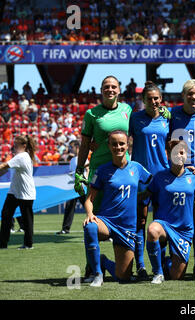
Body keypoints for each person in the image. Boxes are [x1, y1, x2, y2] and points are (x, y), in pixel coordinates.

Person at [76, 75, 132, 281]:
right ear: (101, 90)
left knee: (129, 217)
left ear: (119, 90)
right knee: (93, 221)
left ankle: (138, 265)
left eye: (113, 86)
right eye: (106, 87)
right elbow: (84, 144)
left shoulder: (128, 110)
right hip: (99, 172)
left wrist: (161, 112)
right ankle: (93, 268)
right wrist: (79, 170)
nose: (110, 89)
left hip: (123, 174)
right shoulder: (92, 114)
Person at [83, 130, 152, 287]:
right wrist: (89, 214)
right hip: (107, 222)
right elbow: (89, 199)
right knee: (90, 227)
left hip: (127, 227)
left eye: (122, 144)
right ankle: (97, 274)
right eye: (114, 144)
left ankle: (103, 261)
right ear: (109, 146)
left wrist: (185, 171)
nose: (118, 147)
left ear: (127, 145)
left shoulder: (137, 168)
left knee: (123, 277)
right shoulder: (102, 170)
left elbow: (156, 183)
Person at [129, 80, 170, 279]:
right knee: (141, 222)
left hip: (162, 178)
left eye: (156, 98)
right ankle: (141, 266)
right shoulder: (134, 119)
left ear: (161, 100)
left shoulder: (167, 119)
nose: (153, 102)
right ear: (143, 100)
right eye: (149, 99)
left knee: (161, 222)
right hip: (141, 180)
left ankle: (160, 264)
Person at [169, 79, 195, 279]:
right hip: (179, 170)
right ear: (183, 95)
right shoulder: (172, 114)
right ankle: (172, 259)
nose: (194, 97)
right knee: (177, 216)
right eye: (190, 94)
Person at [144, 140, 195, 283]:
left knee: (176, 277)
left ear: (186, 155)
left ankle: (167, 261)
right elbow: (146, 195)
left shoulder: (194, 177)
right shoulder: (159, 177)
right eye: (175, 153)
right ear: (168, 155)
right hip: (164, 225)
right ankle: (158, 273)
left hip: (184, 230)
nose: (179, 156)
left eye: (182, 153)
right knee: (152, 230)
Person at [0, 135, 37, 249]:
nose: (14, 147)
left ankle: (28, 244)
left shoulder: (22, 156)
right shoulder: (21, 156)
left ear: (24, 146)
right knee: (6, 215)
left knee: (27, 220)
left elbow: (4, 165)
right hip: (15, 192)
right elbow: (5, 169)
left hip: (25, 193)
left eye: (16, 145)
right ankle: (2, 243)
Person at [57, 140, 87, 235]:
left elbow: (87, 169)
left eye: (72, 147)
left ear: (77, 147)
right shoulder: (72, 160)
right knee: (69, 207)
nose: (70, 149)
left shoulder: (83, 157)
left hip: (82, 187)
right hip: (73, 188)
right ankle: (65, 229)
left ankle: (98, 226)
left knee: (89, 207)